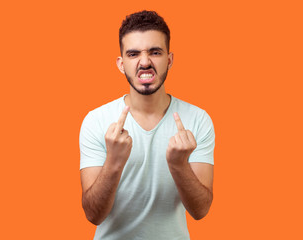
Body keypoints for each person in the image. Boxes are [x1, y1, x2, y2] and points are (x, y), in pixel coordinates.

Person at [79, 10, 215, 240]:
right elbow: (93, 214)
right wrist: (113, 161)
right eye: (133, 54)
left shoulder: (198, 119)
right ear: (121, 64)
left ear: (169, 60)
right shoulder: (96, 120)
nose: (144, 62)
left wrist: (179, 165)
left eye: (155, 52)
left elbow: (201, 210)